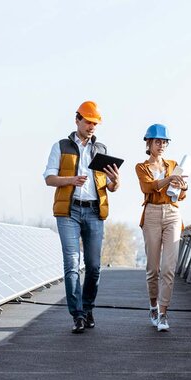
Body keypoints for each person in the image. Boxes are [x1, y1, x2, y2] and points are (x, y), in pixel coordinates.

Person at [43, 101, 120, 334]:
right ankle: (76, 314)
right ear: (77, 120)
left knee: (94, 266)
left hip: (95, 211)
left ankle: (87, 309)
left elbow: (111, 186)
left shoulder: (102, 150)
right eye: (88, 121)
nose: (92, 126)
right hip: (69, 211)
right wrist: (71, 180)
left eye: (95, 123)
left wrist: (116, 181)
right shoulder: (61, 146)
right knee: (72, 264)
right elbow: (49, 178)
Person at [135, 123, 187, 332]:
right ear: (149, 143)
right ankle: (153, 306)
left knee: (168, 268)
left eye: (164, 141)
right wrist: (169, 179)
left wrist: (182, 187)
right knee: (153, 269)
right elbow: (147, 187)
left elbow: (181, 196)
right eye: (158, 141)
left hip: (172, 213)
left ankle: (164, 313)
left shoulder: (173, 164)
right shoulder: (141, 167)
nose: (162, 145)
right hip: (152, 214)